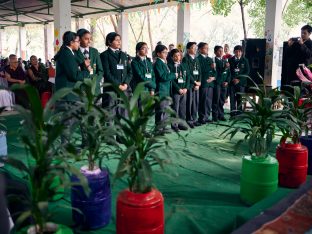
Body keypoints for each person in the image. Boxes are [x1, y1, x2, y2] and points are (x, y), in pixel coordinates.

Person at [54, 31, 91, 144]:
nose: (79, 43)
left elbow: (80, 61)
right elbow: (74, 75)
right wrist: (87, 71)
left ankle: (80, 144)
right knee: (67, 121)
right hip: (68, 93)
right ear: (71, 42)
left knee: (76, 118)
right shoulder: (66, 54)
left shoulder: (69, 52)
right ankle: (65, 148)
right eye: (78, 41)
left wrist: (84, 64)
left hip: (71, 92)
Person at [100, 32, 132, 117]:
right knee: (109, 114)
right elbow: (107, 73)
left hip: (124, 89)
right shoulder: (104, 55)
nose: (119, 42)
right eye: (116, 40)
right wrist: (118, 85)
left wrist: (125, 84)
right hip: (111, 89)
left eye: (119, 40)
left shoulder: (124, 55)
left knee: (123, 114)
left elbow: (130, 71)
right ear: (110, 42)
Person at [153, 44, 176, 133]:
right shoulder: (158, 63)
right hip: (161, 90)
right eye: (164, 52)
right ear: (158, 54)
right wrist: (174, 75)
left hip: (166, 90)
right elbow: (163, 77)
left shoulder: (164, 62)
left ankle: (164, 126)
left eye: (166, 52)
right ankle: (158, 128)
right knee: (160, 109)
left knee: (166, 109)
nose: (166, 54)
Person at [76, 28, 104, 97]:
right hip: (81, 89)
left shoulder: (95, 52)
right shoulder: (75, 52)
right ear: (79, 39)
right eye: (86, 39)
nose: (89, 41)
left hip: (95, 90)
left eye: (90, 39)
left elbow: (100, 71)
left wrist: (95, 83)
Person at [167, 49, 188, 131]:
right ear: (172, 57)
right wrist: (178, 89)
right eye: (175, 56)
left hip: (184, 90)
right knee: (175, 108)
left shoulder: (183, 65)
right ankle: (174, 125)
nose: (177, 57)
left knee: (182, 108)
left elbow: (188, 76)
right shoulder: (170, 66)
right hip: (176, 91)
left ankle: (181, 124)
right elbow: (171, 80)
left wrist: (186, 87)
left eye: (179, 55)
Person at [182, 42, 201, 128]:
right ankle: (189, 120)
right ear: (188, 49)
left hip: (197, 85)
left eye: (196, 48)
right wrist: (194, 82)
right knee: (189, 102)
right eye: (193, 47)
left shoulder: (196, 59)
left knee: (195, 102)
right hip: (190, 84)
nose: (195, 49)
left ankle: (194, 119)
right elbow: (188, 73)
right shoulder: (185, 59)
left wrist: (199, 82)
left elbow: (199, 72)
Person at [229, 45, 250, 116]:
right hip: (232, 83)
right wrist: (233, 79)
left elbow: (247, 72)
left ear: (242, 52)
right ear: (234, 52)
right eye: (236, 51)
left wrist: (239, 80)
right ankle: (232, 113)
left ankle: (239, 113)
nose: (238, 53)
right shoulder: (230, 60)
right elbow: (229, 71)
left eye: (239, 51)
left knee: (240, 98)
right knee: (232, 98)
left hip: (241, 83)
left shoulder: (245, 60)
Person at [197, 42, 215, 124]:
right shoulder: (198, 59)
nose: (207, 49)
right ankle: (202, 117)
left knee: (209, 101)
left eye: (208, 48)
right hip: (204, 82)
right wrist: (210, 67)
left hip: (210, 83)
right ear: (200, 49)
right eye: (205, 48)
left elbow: (215, 71)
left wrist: (213, 77)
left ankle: (207, 116)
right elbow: (201, 70)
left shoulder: (210, 59)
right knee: (203, 100)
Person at [212, 46, 231, 121]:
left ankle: (221, 115)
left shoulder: (225, 61)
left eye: (222, 51)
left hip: (224, 84)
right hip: (217, 83)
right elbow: (216, 72)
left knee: (222, 100)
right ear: (215, 52)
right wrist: (225, 68)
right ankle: (215, 116)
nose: (221, 52)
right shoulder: (213, 61)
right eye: (219, 51)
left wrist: (227, 81)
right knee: (216, 100)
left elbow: (229, 73)